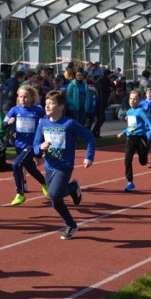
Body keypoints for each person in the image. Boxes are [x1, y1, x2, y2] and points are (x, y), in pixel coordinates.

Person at [34, 90, 95, 240]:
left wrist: (89, 157)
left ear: (61, 107)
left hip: (64, 165)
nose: (47, 106)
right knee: (55, 200)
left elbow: (89, 137)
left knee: (54, 194)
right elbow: (35, 144)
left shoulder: (69, 123)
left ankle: (73, 187)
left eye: (51, 103)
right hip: (49, 166)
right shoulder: (43, 123)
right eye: (46, 103)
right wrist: (40, 148)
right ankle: (71, 224)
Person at [3, 85, 48, 205]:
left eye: (26, 97)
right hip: (19, 145)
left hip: (33, 145)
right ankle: (45, 183)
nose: (22, 99)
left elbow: (47, 125)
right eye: (20, 96)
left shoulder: (38, 111)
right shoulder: (15, 110)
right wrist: (8, 124)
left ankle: (20, 193)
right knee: (31, 168)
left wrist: (44, 141)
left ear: (32, 98)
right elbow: (3, 125)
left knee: (16, 164)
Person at [117, 90, 151, 192]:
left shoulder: (140, 112)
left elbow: (150, 124)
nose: (132, 101)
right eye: (130, 98)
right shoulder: (129, 112)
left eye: (135, 99)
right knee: (127, 159)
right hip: (130, 138)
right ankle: (130, 182)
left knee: (143, 162)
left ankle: (146, 148)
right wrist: (123, 132)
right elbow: (131, 127)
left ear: (139, 101)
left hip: (140, 138)